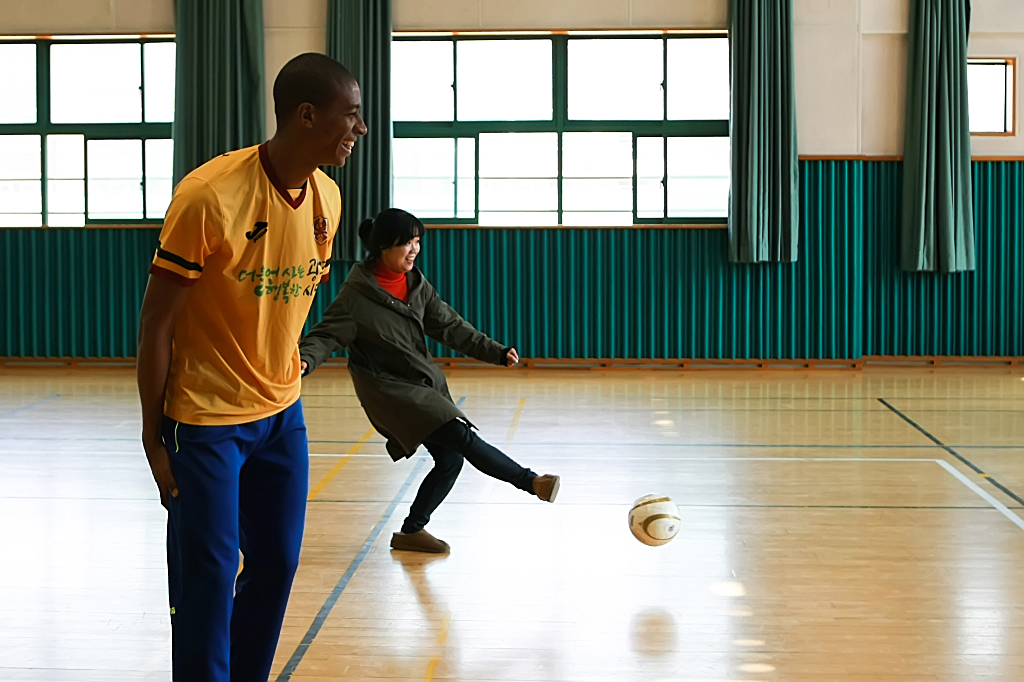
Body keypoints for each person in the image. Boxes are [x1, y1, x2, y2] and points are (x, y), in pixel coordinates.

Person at [136, 53, 366, 681]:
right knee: (207, 576)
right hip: (205, 420)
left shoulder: (327, 198)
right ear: (307, 115)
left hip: (280, 416)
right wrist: (153, 436)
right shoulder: (208, 196)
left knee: (277, 563)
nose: (360, 129)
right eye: (352, 115)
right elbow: (156, 323)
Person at [298, 208, 560, 554]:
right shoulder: (356, 299)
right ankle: (532, 482)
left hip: (423, 386)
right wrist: (305, 359)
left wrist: (495, 352)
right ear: (382, 247)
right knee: (460, 437)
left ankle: (411, 532)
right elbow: (325, 335)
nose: (414, 249)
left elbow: (450, 327)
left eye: (417, 241)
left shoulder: (416, 285)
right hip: (391, 392)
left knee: (450, 459)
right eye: (407, 242)